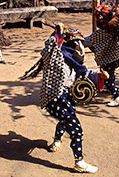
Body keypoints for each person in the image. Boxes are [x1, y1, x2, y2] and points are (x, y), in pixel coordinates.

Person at [39, 24, 98, 173]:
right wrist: (58, 32)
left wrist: (100, 76)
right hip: (56, 99)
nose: (81, 48)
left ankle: (56, 142)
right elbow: (49, 48)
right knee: (77, 130)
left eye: (81, 44)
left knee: (64, 120)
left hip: (65, 98)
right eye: (77, 44)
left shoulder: (75, 63)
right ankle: (79, 163)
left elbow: (87, 73)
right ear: (70, 44)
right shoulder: (55, 57)